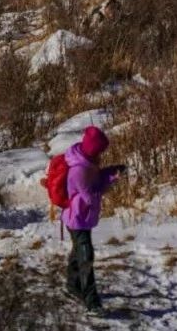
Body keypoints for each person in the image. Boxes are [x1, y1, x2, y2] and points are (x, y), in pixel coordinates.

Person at [64, 125, 123, 312]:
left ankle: (73, 285)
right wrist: (111, 180)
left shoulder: (87, 162)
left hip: (82, 218)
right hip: (77, 220)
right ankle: (92, 302)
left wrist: (110, 172)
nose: (102, 155)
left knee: (78, 253)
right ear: (93, 150)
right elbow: (92, 195)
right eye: (100, 151)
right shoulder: (79, 170)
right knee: (86, 257)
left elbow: (96, 179)